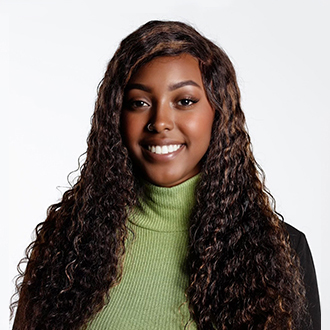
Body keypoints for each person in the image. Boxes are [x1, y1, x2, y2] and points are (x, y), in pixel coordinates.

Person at [11, 20, 320, 330]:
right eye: (139, 103)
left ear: (218, 113)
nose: (160, 121)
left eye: (184, 101)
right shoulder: (68, 244)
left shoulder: (282, 252)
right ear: (117, 116)